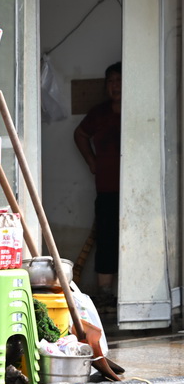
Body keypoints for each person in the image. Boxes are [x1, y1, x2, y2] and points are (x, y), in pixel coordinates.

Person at [73, 61, 121, 306]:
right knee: (107, 238)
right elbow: (80, 134)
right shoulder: (99, 113)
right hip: (107, 188)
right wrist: (92, 161)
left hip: (138, 190)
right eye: (111, 81)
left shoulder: (138, 110)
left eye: (120, 80)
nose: (116, 86)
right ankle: (105, 292)